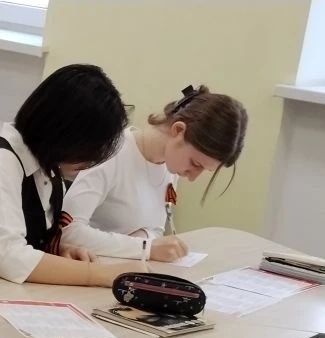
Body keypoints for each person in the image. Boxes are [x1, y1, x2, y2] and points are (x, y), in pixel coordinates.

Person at [0, 64, 138, 288]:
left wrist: (58, 251)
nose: (88, 163)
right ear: (62, 132)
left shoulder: (49, 169)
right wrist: (98, 274)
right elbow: (9, 257)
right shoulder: (1, 162)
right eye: (86, 149)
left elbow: (31, 242)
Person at [61, 85, 248, 261]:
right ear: (178, 130)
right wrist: (145, 247)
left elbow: (154, 230)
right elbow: (67, 232)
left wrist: (145, 238)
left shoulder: (169, 167)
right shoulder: (112, 154)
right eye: (195, 163)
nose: (192, 177)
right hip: (87, 271)